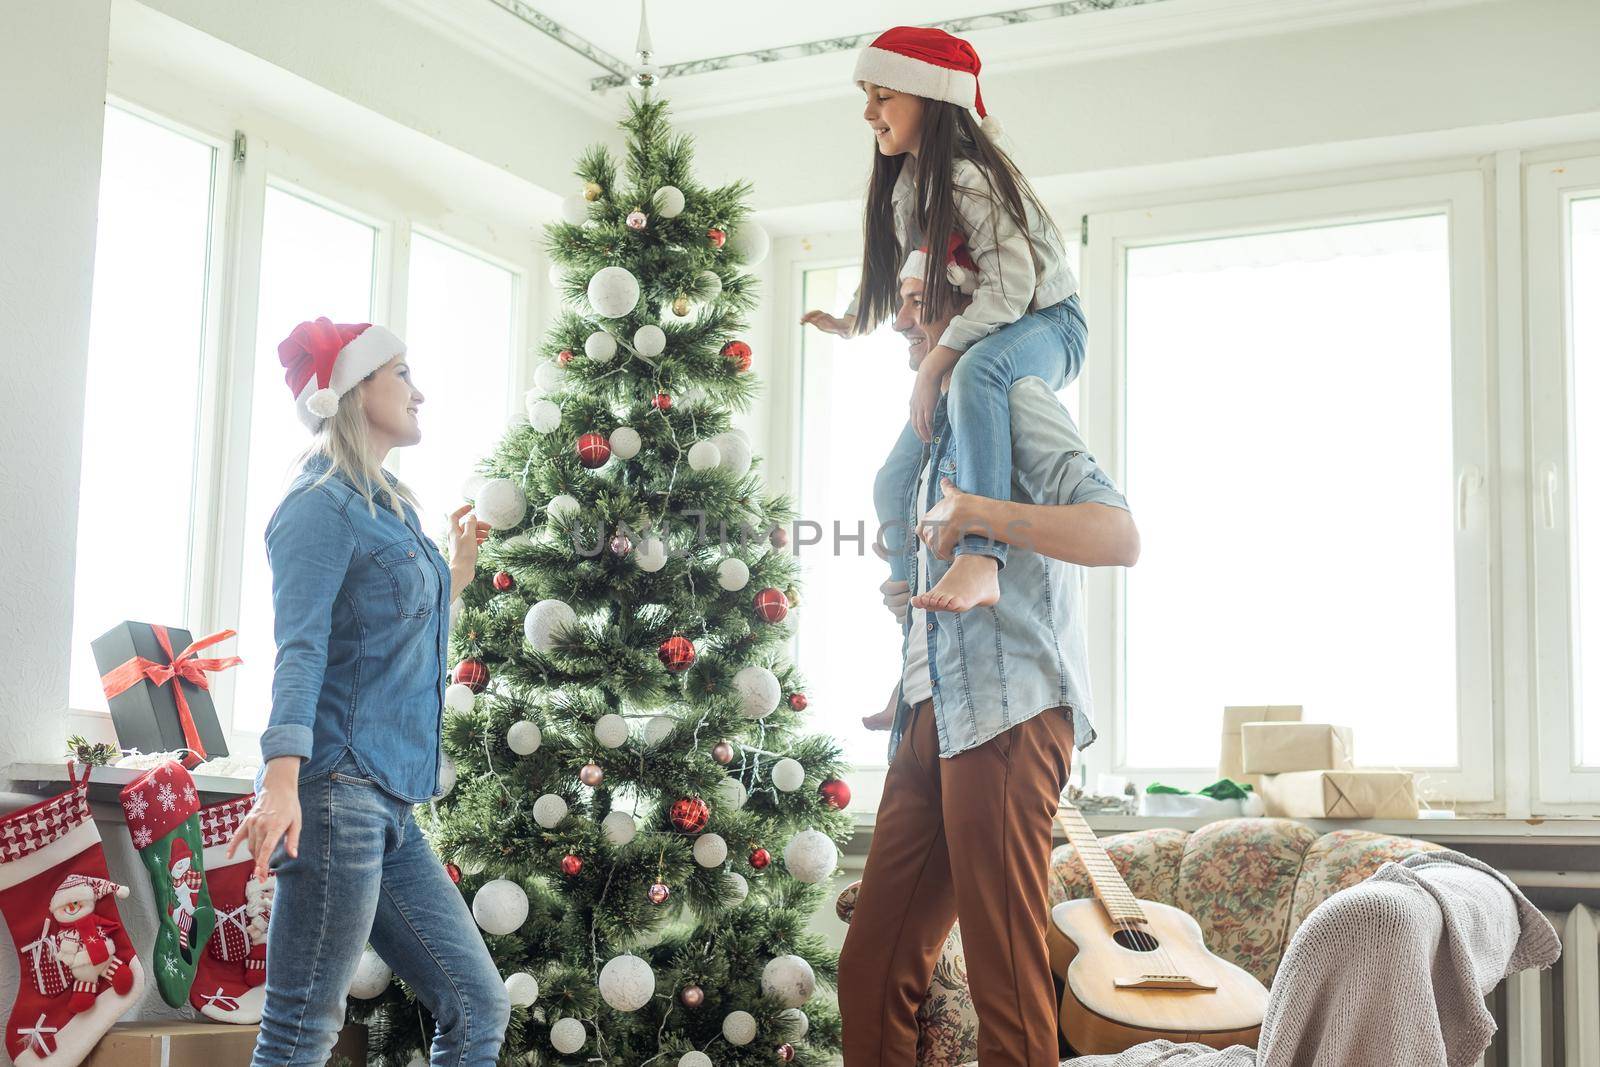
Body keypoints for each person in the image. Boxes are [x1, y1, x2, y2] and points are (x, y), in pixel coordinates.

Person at [838, 248, 1138, 1067]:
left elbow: (1117, 534)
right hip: (929, 709)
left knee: (1007, 983)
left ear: (967, 303)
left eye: (913, 299)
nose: (900, 319)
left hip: (1010, 714)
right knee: (870, 972)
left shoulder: (1017, 394)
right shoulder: (935, 434)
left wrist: (986, 518)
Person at [227, 317, 510, 1066]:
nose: (421, 391)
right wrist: (280, 781)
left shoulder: (391, 509)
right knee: (301, 1026)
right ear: (355, 390)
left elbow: (385, 640)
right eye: (403, 374)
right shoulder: (316, 505)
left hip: (389, 800)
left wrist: (455, 574)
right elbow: (302, 648)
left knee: (479, 1003)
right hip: (332, 793)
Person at [802, 25, 1084, 615]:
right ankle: (909, 623)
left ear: (930, 101)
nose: (868, 113)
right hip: (994, 328)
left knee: (978, 372)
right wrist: (854, 317)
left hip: (1049, 322)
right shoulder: (912, 185)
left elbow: (1012, 290)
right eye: (867, 96)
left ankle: (981, 558)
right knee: (893, 479)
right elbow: (903, 263)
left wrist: (935, 362)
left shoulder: (970, 180)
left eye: (884, 97)